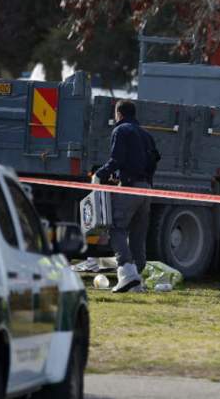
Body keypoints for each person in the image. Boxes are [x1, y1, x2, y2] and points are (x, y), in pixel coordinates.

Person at [94, 100, 159, 293]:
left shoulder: (121, 130)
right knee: (138, 233)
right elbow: (154, 161)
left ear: (119, 114)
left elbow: (117, 159)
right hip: (146, 188)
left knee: (116, 227)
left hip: (129, 187)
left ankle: (127, 273)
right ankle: (137, 278)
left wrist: (100, 175)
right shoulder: (146, 134)